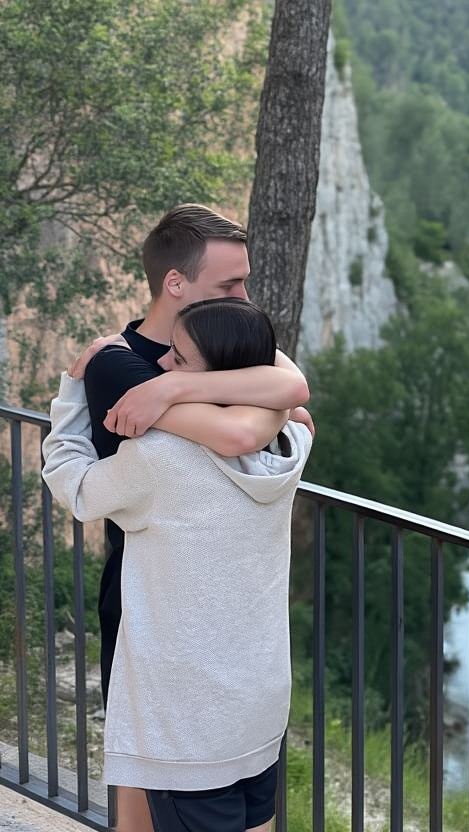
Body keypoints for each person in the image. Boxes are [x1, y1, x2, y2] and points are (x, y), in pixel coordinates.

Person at [70, 204, 311, 832]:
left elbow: (295, 390)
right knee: (144, 797)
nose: (246, 297)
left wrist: (170, 389)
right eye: (231, 284)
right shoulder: (116, 365)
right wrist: (267, 403)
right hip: (150, 612)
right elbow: (244, 425)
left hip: (218, 621)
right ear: (175, 282)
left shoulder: (209, 351)